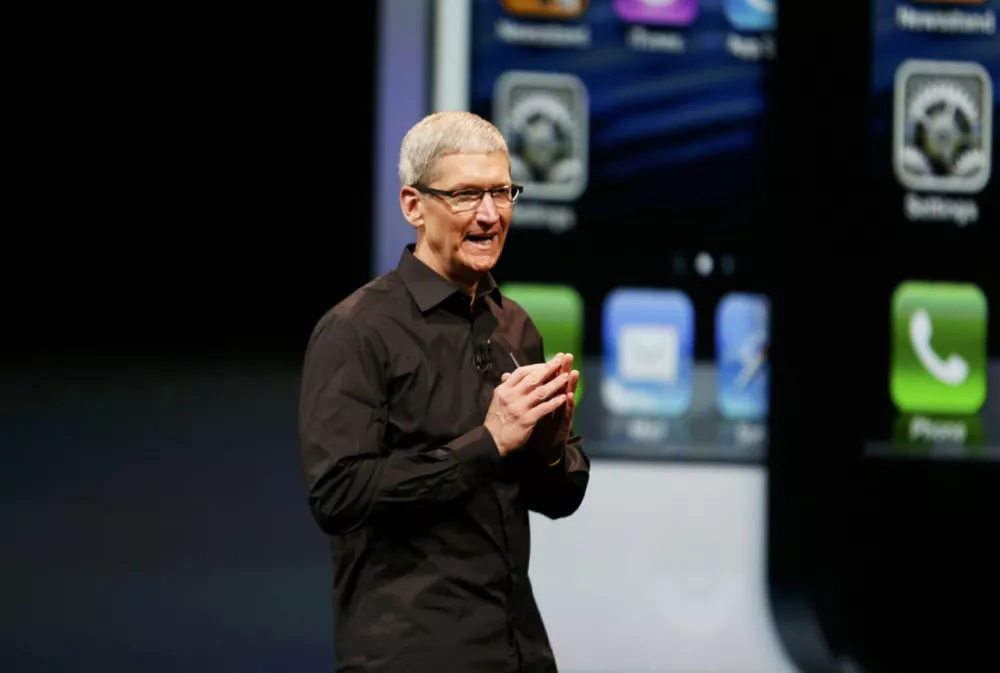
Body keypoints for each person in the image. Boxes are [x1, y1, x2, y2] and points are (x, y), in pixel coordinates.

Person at [297, 110, 590, 673]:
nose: (489, 215)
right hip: (413, 652)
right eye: (465, 196)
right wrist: (489, 441)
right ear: (413, 205)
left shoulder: (516, 327)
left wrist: (549, 449)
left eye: (502, 193)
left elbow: (560, 498)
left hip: (518, 649)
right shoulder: (357, 330)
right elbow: (338, 493)